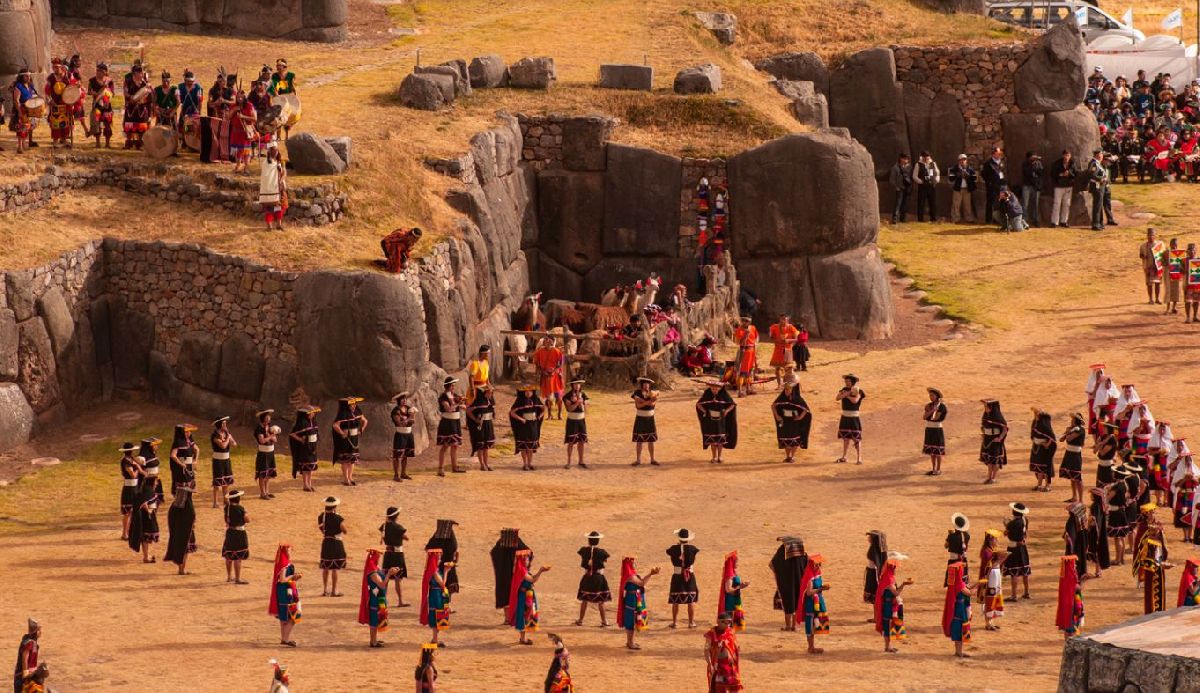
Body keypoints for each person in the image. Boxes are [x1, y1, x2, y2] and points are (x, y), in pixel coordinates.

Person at [360, 549, 400, 648]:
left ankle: (374, 639)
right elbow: (382, 584)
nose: (379, 558)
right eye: (378, 556)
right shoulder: (372, 572)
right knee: (374, 619)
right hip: (375, 598)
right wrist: (389, 574)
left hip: (378, 596)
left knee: (376, 618)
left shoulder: (375, 568)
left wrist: (390, 571)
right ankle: (373, 642)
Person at [507, 549, 549, 644]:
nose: (528, 561)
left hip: (526, 595)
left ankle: (523, 638)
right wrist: (541, 571)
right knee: (524, 615)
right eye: (526, 559)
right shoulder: (521, 570)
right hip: (524, 597)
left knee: (526, 614)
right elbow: (533, 579)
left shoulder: (522, 569)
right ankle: (523, 639)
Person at [874, 552, 913, 653]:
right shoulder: (888, 578)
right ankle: (887, 647)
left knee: (888, 625)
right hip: (888, 606)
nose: (896, 568)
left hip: (888, 604)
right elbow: (896, 593)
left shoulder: (887, 575)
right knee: (888, 625)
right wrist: (904, 584)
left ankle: (888, 646)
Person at [618, 556, 659, 650]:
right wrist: (651, 574)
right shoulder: (630, 574)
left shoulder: (629, 573)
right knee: (631, 620)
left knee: (632, 619)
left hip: (634, 598)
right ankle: (630, 642)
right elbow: (641, 583)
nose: (633, 562)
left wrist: (651, 574)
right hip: (632, 599)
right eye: (632, 561)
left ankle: (630, 641)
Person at [491, 528, 531, 620]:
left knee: (505, 595)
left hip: (503, 576)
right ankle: (513, 618)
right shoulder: (517, 542)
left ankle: (507, 619)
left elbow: (494, 553)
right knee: (515, 593)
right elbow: (528, 553)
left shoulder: (500, 545)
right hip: (515, 575)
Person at [127, 459, 161, 563]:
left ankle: (146, 556)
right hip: (146, 517)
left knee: (144, 538)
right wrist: (150, 511)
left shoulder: (144, 490)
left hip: (142, 517)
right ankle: (146, 557)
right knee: (146, 537)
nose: (156, 483)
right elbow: (145, 504)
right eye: (155, 481)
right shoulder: (149, 491)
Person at [770, 535, 807, 631]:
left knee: (788, 603)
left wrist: (779, 575)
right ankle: (794, 626)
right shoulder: (802, 554)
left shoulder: (783, 551)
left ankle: (788, 626)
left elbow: (772, 564)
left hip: (786, 582)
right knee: (797, 603)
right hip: (800, 582)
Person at [697, 381, 737, 464]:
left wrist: (726, 411)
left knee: (720, 439)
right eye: (712, 388)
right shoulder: (707, 394)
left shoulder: (724, 394)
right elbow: (698, 404)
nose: (714, 390)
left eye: (716, 388)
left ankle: (720, 456)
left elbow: (732, 404)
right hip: (710, 421)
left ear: (719, 388)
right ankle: (714, 457)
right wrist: (704, 411)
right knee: (712, 439)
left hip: (721, 421)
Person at [666, 528, 700, 628]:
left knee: (675, 600)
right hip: (689, 576)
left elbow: (668, 551)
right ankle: (691, 622)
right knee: (691, 600)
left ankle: (674, 622)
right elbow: (695, 550)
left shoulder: (673, 549)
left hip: (677, 576)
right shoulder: (692, 548)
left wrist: (678, 546)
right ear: (688, 539)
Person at [772, 376, 811, 463]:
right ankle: (787, 456)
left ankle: (792, 456)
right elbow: (773, 405)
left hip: (794, 422)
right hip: (785, 421)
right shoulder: (781, 398)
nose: (787, 391)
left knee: (794, 439)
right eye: (785, 390)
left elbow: (806, 409)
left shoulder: (798, 399)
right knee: (785, 438)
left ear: (792, 390)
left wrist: (800, 417)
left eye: (788, 390)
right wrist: (777, 416)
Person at [419, 548, 453, 646]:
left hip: (436, 594)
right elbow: (442, 584)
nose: (440, 560)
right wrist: (446, 571)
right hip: (436, 595)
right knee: (437, 615)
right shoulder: (434, 571)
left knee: (438, 615)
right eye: (438, 558)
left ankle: (435, 639)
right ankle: (434, 640)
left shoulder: (432, 569)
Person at [270, 544, 302, 648]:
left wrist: (293, 578)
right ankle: (286, 639)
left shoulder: (282, 562)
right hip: (286, 593)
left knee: (283, 618)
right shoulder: (284, 563)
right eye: (289, 550)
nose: (290, 551)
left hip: (282, 592)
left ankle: (284, 639)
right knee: (292, 618)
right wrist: (293, 576)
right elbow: (282, 579)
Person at [332, 396, 367, 486]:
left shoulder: (357, 411)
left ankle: (350, 477)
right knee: (345, 459)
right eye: (352, 404)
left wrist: (362, 428)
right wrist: (342, 433)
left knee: (352, 459)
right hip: (345, 439)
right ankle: (346, 479)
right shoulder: (343, 413)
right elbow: (335, 425)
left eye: (355, 404)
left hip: (354, 438)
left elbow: (365, 420)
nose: (354, 406)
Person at [162, 485, 197, 575]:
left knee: (181, 547)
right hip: (186, 531)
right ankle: (181, 569)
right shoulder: (188, 506)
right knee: (184, 549)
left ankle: (181, 568)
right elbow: (192, 517)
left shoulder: (174, 506)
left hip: (177, 531)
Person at [799, 553, 829, 654]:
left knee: (814, 624)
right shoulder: (809, 575)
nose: (819, 566)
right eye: (817, 564)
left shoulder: (817, 572)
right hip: (811, 604)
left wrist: (822, 588)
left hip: (817, 601)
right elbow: (808, 592)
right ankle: (810, 647)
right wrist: (821, 589)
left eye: (819, 564)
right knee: (810, 624)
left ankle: (812, 646)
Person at [379, 507, 410, 607]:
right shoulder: (398, 527)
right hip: (397, 555)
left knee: (386, 578)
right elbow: (406, 538)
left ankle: (383, 600)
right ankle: (400, 601)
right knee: (398, 578)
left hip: (388, 554)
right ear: (396, 516)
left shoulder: (384, 526)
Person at [703, 613, 742, 692]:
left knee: (734, 687)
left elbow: (735, 645)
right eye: (724, 622)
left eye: (729, 622)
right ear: (718, 622)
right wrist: (710, 664)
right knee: (719, 688)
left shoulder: (730, 632)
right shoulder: (711, 634)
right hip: (718, 666)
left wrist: (737, 650)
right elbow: (706, 649)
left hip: (730, 665)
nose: (727, 624)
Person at [510, 384, 546, 471]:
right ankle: (525, 464)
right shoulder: (520, 400)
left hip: (533, 425)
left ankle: (530, 464)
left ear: (533, 392)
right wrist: (521, 419)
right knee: (523, 445)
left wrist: (540, 416)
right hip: (523, 425)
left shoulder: (536, 400)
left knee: (531, 445)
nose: (528, 393)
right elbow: (512, 412)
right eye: (526, 391)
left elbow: (544, 408)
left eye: (530, 391)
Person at [318, 497, 348, 597]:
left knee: (325, 567)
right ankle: (334, 591)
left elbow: (322, 529)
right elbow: (345, 530)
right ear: (335, 507)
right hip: (336, 543)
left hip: (326, 542)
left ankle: (325, 590)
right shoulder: (337, 517)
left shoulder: (322, 517)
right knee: (335, 568)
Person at [436, 377, 465, 476]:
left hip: (455, 422)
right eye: (452, 385)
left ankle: (454, 467)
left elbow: (463, 406)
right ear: (448, 386)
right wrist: (458, 403)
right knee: (445, 445)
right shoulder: (443, 397)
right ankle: (440, 468)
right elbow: (448, 409)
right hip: (447, 423)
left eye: (454, 385)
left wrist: (463, 404)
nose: (454, 387)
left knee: (455, 445)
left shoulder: (455, 396)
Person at [424, 519, 461, 598]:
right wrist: (454, 562)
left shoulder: (436, 537)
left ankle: (442, 605)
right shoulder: (451, 539)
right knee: (448, 585)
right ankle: (446, 605)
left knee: (438, 585)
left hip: (437, 565)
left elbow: (427, 548)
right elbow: (456, 552)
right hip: (448, 565)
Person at [943, 562, 972, 658]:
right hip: (960, 610)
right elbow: (970, 593)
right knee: (960, 629)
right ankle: (959, 652)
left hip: (956, 609)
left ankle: (958, 651)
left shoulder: (954, 583)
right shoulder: (960, 584)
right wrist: (979, 586)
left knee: (957, 630)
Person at [1004, 502, 1032, 600]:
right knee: (1025, 571)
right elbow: (1025, 534)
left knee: (1014, 572)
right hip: (1023, 547)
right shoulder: (1025, 520)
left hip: (1013, 548)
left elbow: (1006, 533)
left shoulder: (1012, 523)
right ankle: (1027, 592)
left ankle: (1014, 595)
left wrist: (1006, 525)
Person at [43, 58, 75, 147]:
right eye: (54, 67)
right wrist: (50, 100)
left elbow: (73, 87)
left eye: (57, 67)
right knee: (56, 123)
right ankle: (55, 141)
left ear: (61, 67)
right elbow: (47, 90)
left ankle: (64, 139)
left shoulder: (68, 76)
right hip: (55, 103)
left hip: (66, 102)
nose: (55, 69)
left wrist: (72, 99)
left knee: (66, 122)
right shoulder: (51, 78)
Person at [288, 405, 319, 493]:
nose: (312, 414)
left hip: (313, 446)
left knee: (311, 466)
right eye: (311, 413)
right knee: (306, 467)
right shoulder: (302, 423)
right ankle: (305, 485)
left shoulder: (314, 422)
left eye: (313, 413)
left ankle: (309, 483)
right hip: (305, 447)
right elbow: (292, 434)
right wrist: (301, 439)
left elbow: (316, 433)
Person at [835, 374, 865, 465]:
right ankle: (844, 457)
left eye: (848, 381)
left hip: (854, 417)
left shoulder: (859, 391)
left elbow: (855, 401)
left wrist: (847, 395)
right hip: (845, 417)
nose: (846, 383)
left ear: (852, 382)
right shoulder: (843, 389)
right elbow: (837, 398)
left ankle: (859, 458)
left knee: (856, 438)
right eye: (846, 381)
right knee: (846, 438)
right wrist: (844, 394)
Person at [533, 337, 566, 419]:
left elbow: (560, 363)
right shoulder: (539, 352)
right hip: (545, 377)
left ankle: (559, 413)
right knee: (548, 397)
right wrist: (542, 371)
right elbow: (537, 363)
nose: (547, 342)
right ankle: (549, 414)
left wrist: (555, 371)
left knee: (558, 397)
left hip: (555, 377)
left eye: (549, 340)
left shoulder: (557, 351)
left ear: (552, 342)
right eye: (546, 340)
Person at [466, 384, 496, 472]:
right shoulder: (478, 401)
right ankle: (482, 464)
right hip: (481, 425)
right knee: (480, 445)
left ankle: (486, 464)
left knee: (486, 446)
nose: (491, 394)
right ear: (486, 392)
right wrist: (475, 419)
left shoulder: (490, 401)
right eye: (490, 392)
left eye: (492, 393)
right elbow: (468, 411)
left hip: (488, 424)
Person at [386, 394, 416, 481]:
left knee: (405, 455)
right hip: (400, 434)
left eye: (405, 399)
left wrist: (413, 417)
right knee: (397, 456)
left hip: (408, 433)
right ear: (399, 400)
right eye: (403, 399)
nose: (405, 400)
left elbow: (412, 421)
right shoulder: (396, 411)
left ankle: (403, 473)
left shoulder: (408, 408)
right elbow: (399, 423)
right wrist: (409, 418)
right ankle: (396, 475)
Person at [222, 490, 250, 584]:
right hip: (239, 533)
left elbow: (226, 520)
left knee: (229, 555)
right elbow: (247, 520)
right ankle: (237, 578)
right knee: (238, 557)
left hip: (230, 532)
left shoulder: (227, 508)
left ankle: (229, 577)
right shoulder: (240, 508)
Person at [631, 377, 660, 466]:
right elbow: (638, 406)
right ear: (642, 385)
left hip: (650, 418)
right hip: (640, 418)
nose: (647, 385)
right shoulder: (637, 393)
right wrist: (647, 402)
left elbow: (653, 403)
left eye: (648, 384)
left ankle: (652, 459)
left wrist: (643, 402)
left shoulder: (653, 393)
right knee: (639, 440)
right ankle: (638, 460)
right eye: (645, 384)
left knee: (651, 440)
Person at [1060, 413, 1087, 504]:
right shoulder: (1073, 429)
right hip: (1069, 453)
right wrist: (1068, 431)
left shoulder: (1080, 430)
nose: (1071, 421)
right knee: (1072, 476)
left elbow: (1070, 439)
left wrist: (1068, 432)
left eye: (1073, 419)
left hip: (1075, 455)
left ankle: (1081, 500)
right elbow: (1061, 439)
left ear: (1076, 421)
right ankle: (1074, 497)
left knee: (1077, 477)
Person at [718, 551, 749, 632]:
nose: (738, 563)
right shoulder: (730, 575)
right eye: (736, 562)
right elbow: (728, 590)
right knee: (729, 624)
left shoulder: (732, 572)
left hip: (732, 601)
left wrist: (742, 586)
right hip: (730, 602)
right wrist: (740, 586)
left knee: (730, 623)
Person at [122, 62, 151, 150]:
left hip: (142, 107)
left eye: (142, 73)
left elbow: (148, 94)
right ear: (135, 73)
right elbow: (125, 92)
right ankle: (128, 142)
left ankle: (139, 142)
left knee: (141, 125)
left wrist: (148, 90)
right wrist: (131, 97)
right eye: (140, 73)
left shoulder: (144, 83)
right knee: (129, 124)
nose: (142, 74)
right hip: (131, 106)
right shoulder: (128, 81)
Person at [117, 441, 143, 540]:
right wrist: (137, 469)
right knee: (127, 512)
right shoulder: (125, 461)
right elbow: (133, 475)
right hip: (129, 488)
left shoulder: (131, 459)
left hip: (134, 487)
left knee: (132, 512)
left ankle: (129, 531)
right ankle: (124, 533)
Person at [259, 143, 287, 230]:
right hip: (269, 190)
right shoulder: (265, 163)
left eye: (276, 150)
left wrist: (282, 178)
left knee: (279, 207)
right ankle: (269, 226)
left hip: (279, 188)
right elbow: (266, 177)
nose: (275, 152)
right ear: (270, 151)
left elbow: (284, 173)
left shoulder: (280, 162)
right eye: (273, 150)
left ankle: (279, 224)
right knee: (269, 208)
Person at [210, 416, 237, 508]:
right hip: (218, 461)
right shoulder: (215, 435)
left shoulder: (226, 433)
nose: (225, 425)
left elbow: (234, 444)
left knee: (226, 482)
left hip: (226, 460)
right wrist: (228, 438)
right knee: (217, 482)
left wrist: (229, 437)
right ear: (220, 424)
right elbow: (223, 446)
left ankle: (226, 500)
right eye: (224, 423)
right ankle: (215, 502)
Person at [86, 62, 114, 148]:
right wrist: (93, 93)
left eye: (100, 71)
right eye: (97, 70)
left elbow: (112, 93)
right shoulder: (92, 80)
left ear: (105, 72)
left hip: (106, 105)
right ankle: (98, 143)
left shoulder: (109, 81)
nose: (98, 72)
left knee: (108, 124)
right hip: (97, 105)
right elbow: (89, 91)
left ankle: (107, 144)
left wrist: (106, 92)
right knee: (96, 124)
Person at [980, 400, 1009, 484]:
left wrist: (1000, 438)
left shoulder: (998, 417)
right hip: (987, 439)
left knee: (995, 459)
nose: (985, 408)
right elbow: (983, 426)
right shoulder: (986, 415)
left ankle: (993, 478)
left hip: (995, 440)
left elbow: (1005, 428)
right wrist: (984, 433)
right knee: (989, 460)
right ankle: (989, 477)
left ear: (992, 407)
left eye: (986, 407)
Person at [1056, 556, 1085, 638]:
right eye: (1074, 564)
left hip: (1067, 607)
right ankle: (1071, 645)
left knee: (1067, 629)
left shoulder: (1064, 576)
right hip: (1073, 607)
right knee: (1073, 628)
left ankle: (1067, 644)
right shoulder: (1071, 576)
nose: (1075, 566)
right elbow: (1078, 588)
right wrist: (1083, 580)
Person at [563, 380, 589, 469]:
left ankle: (581, 461)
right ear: (572, 385)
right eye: (575, 384)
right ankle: (569, 462)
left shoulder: (583, 395)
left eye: (579, 384)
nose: (577, 386)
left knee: (581, 441)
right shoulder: (567, 396)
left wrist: (583, 403)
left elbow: (586, 410)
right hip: (572, 421)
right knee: (571, 442)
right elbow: (569, 409)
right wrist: (576, 403)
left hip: (581, 420)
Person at [1087, 148, 1115, 231]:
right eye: (1101, 154)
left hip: (1101, 186)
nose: (1102, 156)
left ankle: (1100, 222)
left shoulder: (1097, 163)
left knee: (1099, 206)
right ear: (1097, 155)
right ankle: (1095, 224)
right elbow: (1091, 174)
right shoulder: (1093, 163)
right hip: (1097, 186)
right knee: (1097, 206)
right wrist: (1100, 179)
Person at [1030, 409, 1058, 493]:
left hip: (1045, 448)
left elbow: (1052, 437)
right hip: (1036, 447)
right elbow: (1033, 434)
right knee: (1038, 466)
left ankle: (1048, 485)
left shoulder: (1045, 425)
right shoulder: (1035, 423)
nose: (1035, 416)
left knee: (1046, 466)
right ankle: (1039, 485)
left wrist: (1047, 444)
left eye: (1037, 415)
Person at [253, 409, 279, 499]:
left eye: (269, 417)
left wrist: (274, 433)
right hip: (263, 453)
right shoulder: (259, 429)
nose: (269, 418)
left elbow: (275, 440)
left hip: (270, 452)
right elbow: (262, 440)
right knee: (262, 474)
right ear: (264, 418)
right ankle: (262, 493)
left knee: (268, 474)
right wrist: (271, 436)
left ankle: (267, 491)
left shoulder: (270, 427)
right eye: (267, 417)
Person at [167, 423, 198, 497]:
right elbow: (173, 455)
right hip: (180, 468)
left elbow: (197, 449)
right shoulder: (178, 442)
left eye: (190, 432)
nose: (189, 433)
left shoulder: (189, 440)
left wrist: (195, 460)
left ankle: (187, 498)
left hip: (189, 465)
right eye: (186, 432)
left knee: (189, 483)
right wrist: (181, 464)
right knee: (182, 484)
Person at [768, 314, 798, 387]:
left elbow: (796, 339)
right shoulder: (774, 327)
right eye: (782, 319)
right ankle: (779, 385)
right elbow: (770, 337)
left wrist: (788, 340)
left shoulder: (791, 327)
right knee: (777, 368)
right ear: (779, 319)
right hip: (778, 350)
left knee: (789, 368)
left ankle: (788, 384)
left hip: (787, 350)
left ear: (788, 319)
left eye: (785, 319)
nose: (783, 320)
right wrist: (775, 338)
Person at [923, 387, 948, 476]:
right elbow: (924, 417)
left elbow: (936, 418)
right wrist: (932, 410)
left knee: (937, 451)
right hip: (929, 429)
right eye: (930, 395)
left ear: (937, 396)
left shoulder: (942, 406)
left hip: (937, 429)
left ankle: (938, 469)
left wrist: (933, 411)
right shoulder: (928, 405)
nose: (930, 397)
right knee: (932, 451)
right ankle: (933, 468)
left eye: (932, 395)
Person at [1139, 228, 1167, 305]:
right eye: (1149, 235)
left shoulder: (1160, 244)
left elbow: (1164, 254)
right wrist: (1143, 256)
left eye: (1152, 235)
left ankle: (1157, 299)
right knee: (1149, 284)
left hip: (1158, 267)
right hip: (1148, 267)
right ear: (1147, 236)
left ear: (1155, 236)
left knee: (1157, 283)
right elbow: (1141, 255)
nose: (1150, 236)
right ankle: (1150, 299)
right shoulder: (1143, 246)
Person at [732, 317, 758, 397]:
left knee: (750, 371)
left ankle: (748, 388)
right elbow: (739, 342)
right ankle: (740, 391)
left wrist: (755, 347)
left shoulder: (753, 328)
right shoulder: (738, 330)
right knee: (742, 371)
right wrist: (745, 335)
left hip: (752, 350)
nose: (747, 322)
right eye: (745, 321)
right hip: (744, 351)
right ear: (742, 322)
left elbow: (756, 338)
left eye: (748, 321)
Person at [12, 619, 40, 693]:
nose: (40, 633)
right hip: (23, 675)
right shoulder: (28, 643)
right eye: (39, 630)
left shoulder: (34, 643)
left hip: (31, 675)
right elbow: (25, 657)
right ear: (36, 632)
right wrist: (25, 673)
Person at [947, 153, 977, 223]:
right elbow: (951, 178)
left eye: (964, 159)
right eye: (961, 160)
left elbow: (975, 178)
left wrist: (968, 175)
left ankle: (969, 218)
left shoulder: (970, 168)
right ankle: (955, 219)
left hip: (967, 189)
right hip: (958, 189)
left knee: (967, 205)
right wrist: (958, 175)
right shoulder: (954, 168)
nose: (963, 161)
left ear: (966, 160)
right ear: (958, 161)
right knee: (956, 205)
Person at [981, 146, 1006, 226]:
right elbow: (984, 175)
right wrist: (990, 182)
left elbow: (1004, 173)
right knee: (990, 203)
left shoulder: (1002, 162)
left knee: (1000, 202)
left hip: (1001, 185)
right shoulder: (988, 163)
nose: (999, 155)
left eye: (1000, 153)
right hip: (992, 186)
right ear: (993, 154)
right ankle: (989, 220)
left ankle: (998, 219)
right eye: (998, 153)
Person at [981, 547, 1005, 630]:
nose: (996, 540)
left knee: (995, 596)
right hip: (992, 576)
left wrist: (1002, 558)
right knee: (991, 597)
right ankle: (987, 623)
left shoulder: (991, 550)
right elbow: (989, 567)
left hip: (996, 575)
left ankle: (990, 622)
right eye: (995, 539)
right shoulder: (987, 551)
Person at [863, 530, 887, 608]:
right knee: (875, 597)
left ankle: (877, 617)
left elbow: (879, 564)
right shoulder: (876, 548)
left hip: (874, 574)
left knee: (875, 595)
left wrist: (880, 575)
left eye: (870, 537)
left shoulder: (874, 550)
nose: (868, 538)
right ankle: (876, 617)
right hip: (871, 572)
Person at [1020, 151, 1044, 227]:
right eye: (1032, 157)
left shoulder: (1038, 163)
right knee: (1025, 204)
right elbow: (1027, 173)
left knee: (1035, 204)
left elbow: (1041, 172)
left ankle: (1035, 220)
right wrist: (1032, 165)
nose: (1034, 158)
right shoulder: (1025, 164)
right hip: (1027, 186)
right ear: (1028, 157)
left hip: (1035, 186)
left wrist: (1037, 166)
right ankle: (1024, 220)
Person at [176, 70, 202, 138]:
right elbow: (178, 98)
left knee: (193, 126)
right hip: (185, 109)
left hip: (194, 110)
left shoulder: (198, 87)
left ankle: (192, 139)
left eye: (192, 82)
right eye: (189, 82)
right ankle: (184, 139)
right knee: (184, 126)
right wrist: (178, 99)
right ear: (185, 81)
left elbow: (199, 101)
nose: (191, 83)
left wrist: (199, 111)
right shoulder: (180, 87)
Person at [945, 513, 971, 583]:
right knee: (963, 578)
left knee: (953, 580)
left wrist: (949, 535)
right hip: (963, 559)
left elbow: (946, 546)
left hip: (954, 560)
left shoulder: (951, 536)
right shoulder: (967, 536)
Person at [890, 153, 913, 224]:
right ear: (900, 158)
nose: (905, 160)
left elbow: (911, 177)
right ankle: (895, 218)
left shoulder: (909, 167)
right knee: (898, 204)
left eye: (907, 159)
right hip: (899, 188)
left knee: (905, 204)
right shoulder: (895, 168)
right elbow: (892, 179)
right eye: (904, 158)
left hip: (907, 188)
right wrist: (896, 187)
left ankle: (903, 218)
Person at [1165, 238, 1185, 315]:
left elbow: (1183, 265)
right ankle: (1168, 308)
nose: (1174, 246)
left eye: (1176, 244)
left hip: (1177, 275)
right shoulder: (1166, 253)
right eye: (1173, 244)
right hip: (1168, 274)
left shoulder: (1180, 254)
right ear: (1170, 245)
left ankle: (1174, 307)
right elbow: (1161, 262)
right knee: (1168, 291)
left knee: (1176, 291)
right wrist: (1167, 262)